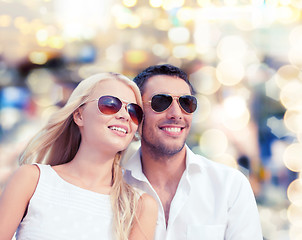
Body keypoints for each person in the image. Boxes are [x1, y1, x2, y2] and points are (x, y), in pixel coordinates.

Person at [0, 72, 158, 240]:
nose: (124, 116)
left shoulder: (140, 206)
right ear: (79, 115)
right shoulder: (31, 179)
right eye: (110, 104)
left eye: (134, 111)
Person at [123, 64, 263, 239]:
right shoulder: (115, 186)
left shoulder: (230, 186)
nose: (176, 114)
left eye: (186, 103)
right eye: (161, 102)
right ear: (137, 112)